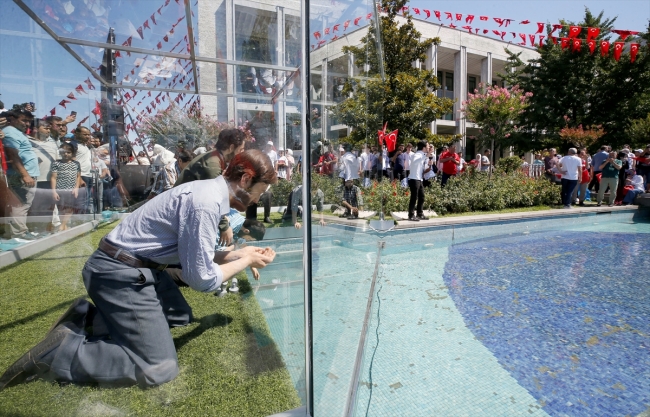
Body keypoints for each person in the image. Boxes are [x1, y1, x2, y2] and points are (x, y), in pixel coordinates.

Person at [0, 150, 278, 391]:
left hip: (128, 267)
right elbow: (202, 280)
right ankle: (62, 352)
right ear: (245, 180)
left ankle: (87, 318)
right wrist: (245, 262)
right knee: (159, 368)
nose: (257, 199)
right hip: (118, 273)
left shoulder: (207, 192)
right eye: (260, 191)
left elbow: (193, 253)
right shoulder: (205, 204)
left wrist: (240, 252)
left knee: (178, 315)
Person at [2, 110, 40, 240]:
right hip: (21, 175)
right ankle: (18, 234)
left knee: (20, 205)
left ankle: (14, 233)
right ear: (12, 118)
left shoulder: (16, 133)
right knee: (20, 205)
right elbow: (13, 155)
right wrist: (25, 175)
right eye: (24, 120)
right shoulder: (10, 132)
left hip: (26, 174)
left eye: (29, 121)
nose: (27, 124)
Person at [50, 142, 81, 231]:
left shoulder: (76, 164)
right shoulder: (56, 163)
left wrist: (76, 188)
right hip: (60, 189)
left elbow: (78, 177)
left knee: (70, 207)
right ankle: (64, 226)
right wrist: (54, 191)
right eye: (63, 152)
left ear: (72, 153)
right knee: (61, 208)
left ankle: (62, 225)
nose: (66, 154)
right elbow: (53, 178)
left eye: (68, 152)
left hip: (71, 190)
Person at [407, 141, 430, 220]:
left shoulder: (422, 155)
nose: (428, 147)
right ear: (423, 147)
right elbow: (415, 161)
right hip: (414, 179)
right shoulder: (417, 154)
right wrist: (425, 156)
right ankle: (411, 215)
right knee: (414, 197)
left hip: (419, 179)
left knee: (422, 197)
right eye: (427, 146)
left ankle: (419, 214)